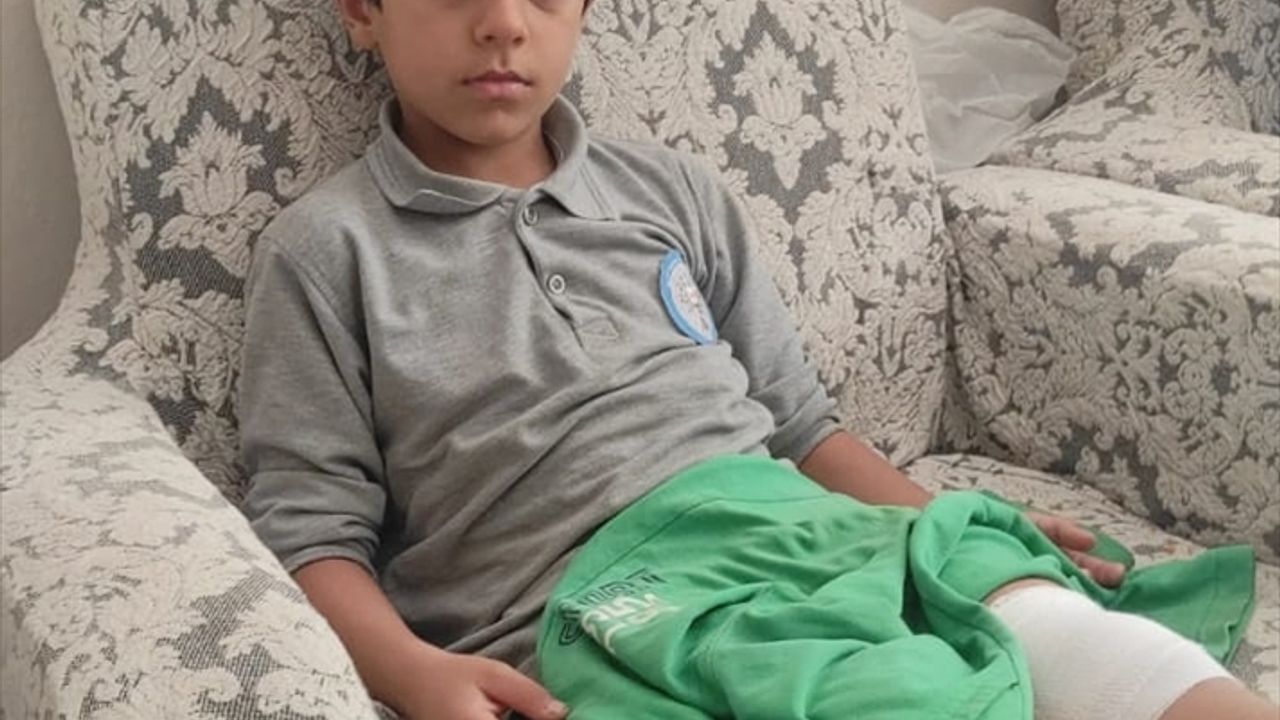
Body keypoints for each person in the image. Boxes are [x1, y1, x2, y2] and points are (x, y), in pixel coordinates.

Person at [237, 1, 1276, 719]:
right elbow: (311, 526)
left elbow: (800, 422)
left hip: (798, 524)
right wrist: (412, 674)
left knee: (1010, 586)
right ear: (363, 10)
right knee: (880, 691)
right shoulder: (328, 250)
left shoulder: (669, 191)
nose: (504, 21)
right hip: (609, 597)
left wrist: (939, 520)